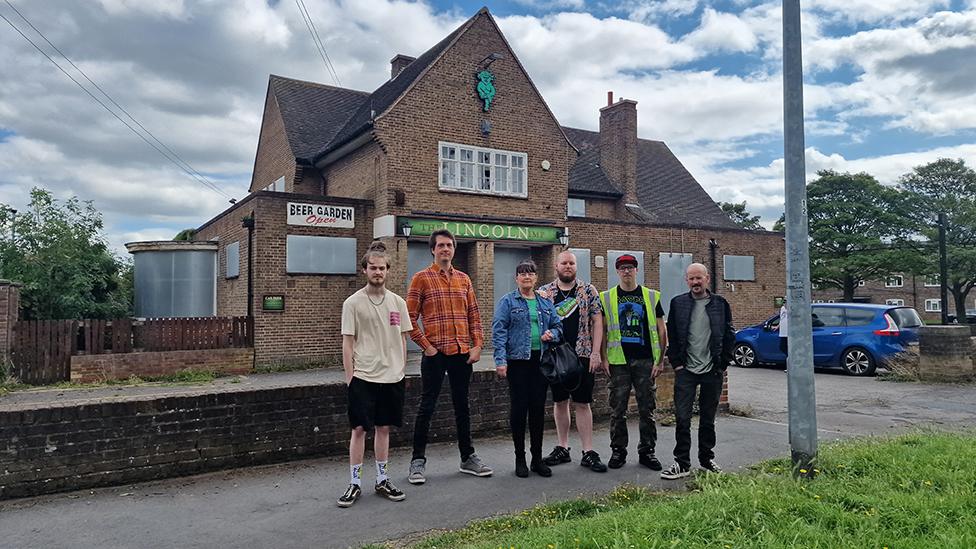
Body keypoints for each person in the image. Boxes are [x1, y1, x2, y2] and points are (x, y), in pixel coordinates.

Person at [407, 229, 492, 484]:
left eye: (449, 245)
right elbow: (409, 319)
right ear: (432, 249)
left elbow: (474, 316)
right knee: (427, 407)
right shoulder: (421, 279)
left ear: (454, 249)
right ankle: (417, 461)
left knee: (462, 407)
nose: (445, 249)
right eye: (441, 245)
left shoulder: (464, 280)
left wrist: (477, 346)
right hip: (435, 354)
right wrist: (427, 347)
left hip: (461, 354)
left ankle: (468, 458)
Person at [338, 242, 413, 507]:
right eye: (373, 267)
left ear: (388, 270)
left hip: (392, 377)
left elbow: (403, 338)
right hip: (363, 377)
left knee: (384, 428)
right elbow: (348, 342)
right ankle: (354, 483)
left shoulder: (398, 302)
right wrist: (350, 378)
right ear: (364, 270)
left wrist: (401, 369)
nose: (378, 272)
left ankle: (382, 479)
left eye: (382, 268)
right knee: (358, 429)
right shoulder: (352, 303)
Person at [661, 263, 735, 480]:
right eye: (691, 279)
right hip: (687, 370)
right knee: (682, 418)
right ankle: (681, 463)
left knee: (707, 419)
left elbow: (729, 334)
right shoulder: (678, 304)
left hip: (712, 370)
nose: (695, 282)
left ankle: (706, 459)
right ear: (686, 280)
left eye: (698, 278)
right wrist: (676, 364)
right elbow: (672, 335)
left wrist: (722, 364)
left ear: (707, 279)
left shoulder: (720, 304)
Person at [537, 251, 608, 472]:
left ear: (576, 266)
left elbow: (598, 322)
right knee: (559, 401)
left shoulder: (588, 290)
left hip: (583, 354)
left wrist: (596, 353)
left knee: (583, 402)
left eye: (572, 263)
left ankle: (588, 451)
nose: (568, 266)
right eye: (564, 263)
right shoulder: (544, 292)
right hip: (556, 355)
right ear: (556, 265)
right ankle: (562, 447)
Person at [492, 259, 563, 477]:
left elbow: (558, 326)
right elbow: (499, 331)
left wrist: (552, 334)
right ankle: (519, 459)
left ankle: (536, 459)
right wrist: (500, 360)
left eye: (530, 273)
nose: (526, 277)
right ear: (516, 278)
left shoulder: (544, 302)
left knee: (537, 411)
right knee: (519, 410)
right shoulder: (508, 302)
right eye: (522, 273)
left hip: (540, 362)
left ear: (536, 278)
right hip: (517, 363)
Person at [599, 254, 668, 470]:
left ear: (636, 270)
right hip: (618, 360)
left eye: (630, 267)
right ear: (617, 271)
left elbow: (661, 329)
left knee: (647, 408)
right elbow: (600, 330)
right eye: (622, 268)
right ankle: (618, 451)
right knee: (617, 410)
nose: (626, 271)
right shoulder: (607, 297)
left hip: (646, 360)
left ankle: (647, 452)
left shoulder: (650, 295)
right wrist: (603, 358)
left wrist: (660, 360)